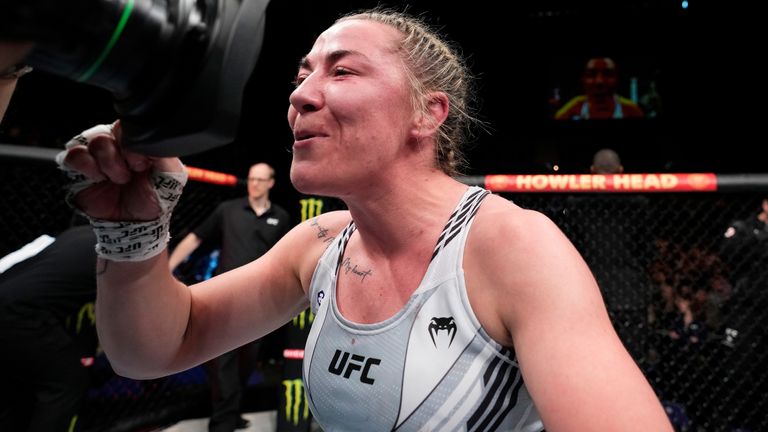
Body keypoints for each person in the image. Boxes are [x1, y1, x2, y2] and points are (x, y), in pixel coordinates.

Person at [58, 8, 673, 431]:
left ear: (427, 115)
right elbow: (159, 346)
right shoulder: (318, 244)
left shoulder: (512, 247)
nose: (300, 95)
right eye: (302, 75)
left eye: (342, 70)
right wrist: (133, 238)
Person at [168, 162, 291, 432]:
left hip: (261, 302)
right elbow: (195, 238)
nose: (254, 184)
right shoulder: (228, 210)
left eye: (260, 179)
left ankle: (231, 414)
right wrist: (168, 267)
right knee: (222, 361)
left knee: (248, 362)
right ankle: (222, 423)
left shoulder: (280, 217)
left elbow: (285, 258)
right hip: (226, 298)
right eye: (250, 178)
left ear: (271, 182)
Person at [0, 224, 98, 432]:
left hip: (14, 307)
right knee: (68, 382)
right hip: (18, 315)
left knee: (18, 387)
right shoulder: (114, 251)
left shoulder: (70, 236)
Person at [555, 57, 644, 120]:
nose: (599, 81)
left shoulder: (631, 110)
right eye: (592, 74)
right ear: (583, 79)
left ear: (617, 79)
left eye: (607, 74)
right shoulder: (573, 108)